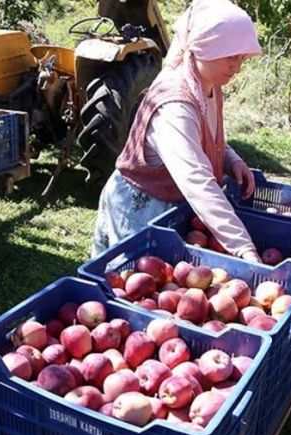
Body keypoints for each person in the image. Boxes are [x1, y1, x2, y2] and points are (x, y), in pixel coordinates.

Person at [92, 0, 263, 262]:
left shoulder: (209, 85)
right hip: (141, 213)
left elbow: (205, 133)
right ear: (206, 47)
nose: (237, 67)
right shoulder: (175, 103)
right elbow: (196, 179)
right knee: (124, 287)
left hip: (173, 208)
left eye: (241, 58)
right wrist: (242, 247)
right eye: (231, 56)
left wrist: (231, 160)